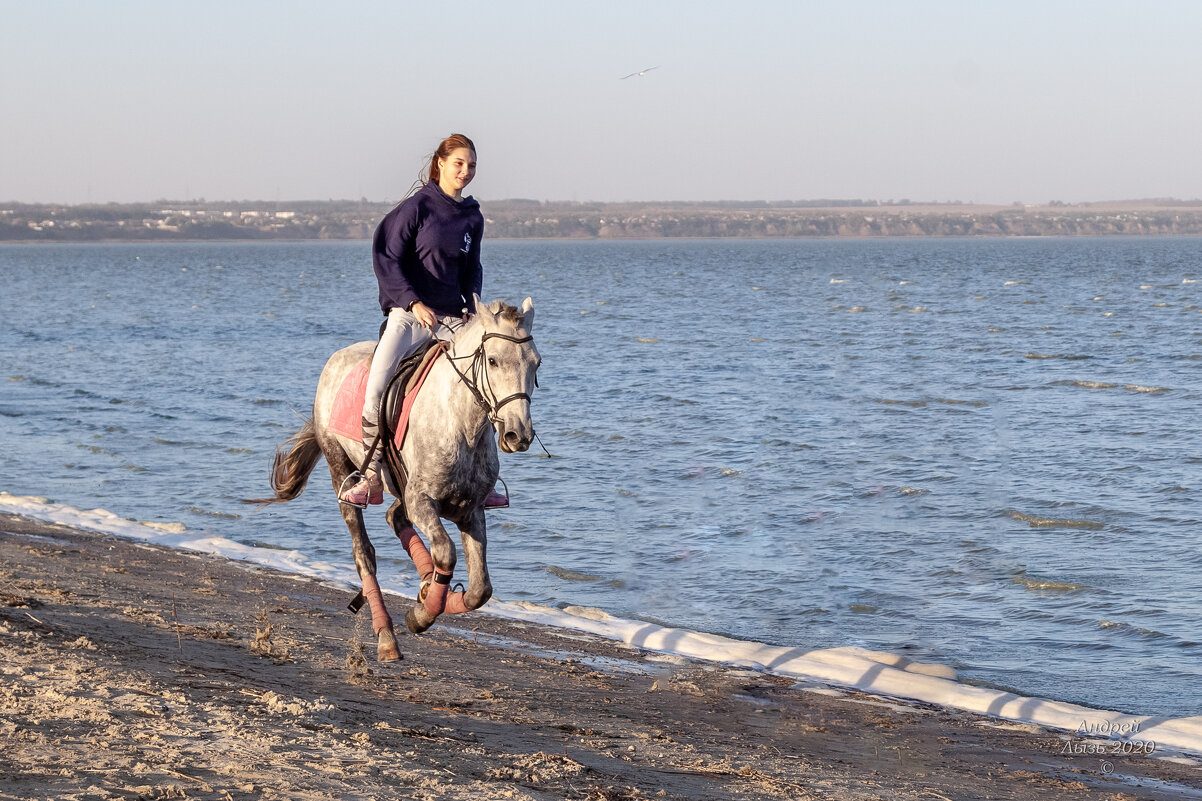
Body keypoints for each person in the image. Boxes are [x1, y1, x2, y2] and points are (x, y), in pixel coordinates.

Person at [339, 133, 506, 509]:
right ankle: (371, 477)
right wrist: (412, 302)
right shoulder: (417, 208)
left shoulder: (472, 217)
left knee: (487, 385)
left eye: (472, 165)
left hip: (453, 319)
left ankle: (484, 479)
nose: (466, 171)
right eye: (459, 163)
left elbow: (471, 268)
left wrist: (472, 307)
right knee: (377, 386)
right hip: (409, 316)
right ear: (440, 164)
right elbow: (387, 258)